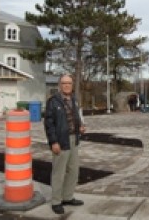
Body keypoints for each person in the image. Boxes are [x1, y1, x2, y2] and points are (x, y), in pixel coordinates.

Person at [44, 74, 86, 214]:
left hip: (74, 140)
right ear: (59, 85)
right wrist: (53, 142)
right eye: (64, 83)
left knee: (73, 170)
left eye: (69, 83)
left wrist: (80, 126)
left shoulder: (74, 99)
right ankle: (56, 201)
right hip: (60, 141)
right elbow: (49, 124)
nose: (67, 85)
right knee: (59, 172)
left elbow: (76, 116)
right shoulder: (53, 101)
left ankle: (67, 197)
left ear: (72, 85)